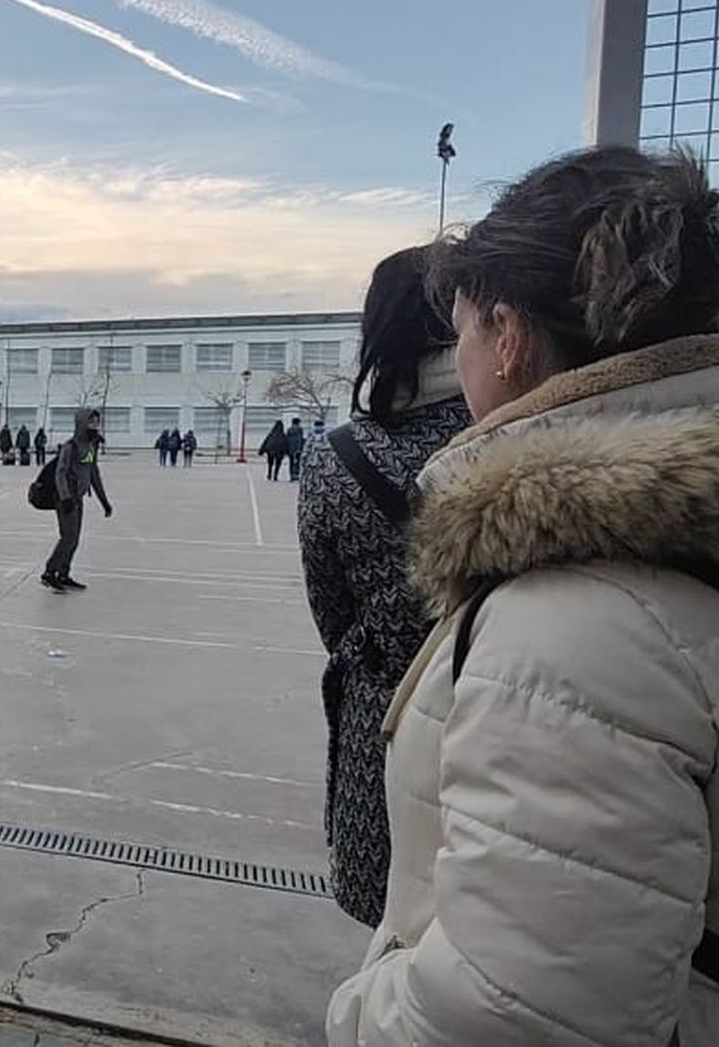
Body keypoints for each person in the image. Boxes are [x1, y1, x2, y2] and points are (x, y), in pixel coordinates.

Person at [327, 146, 719, 1045]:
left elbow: (510, 1012)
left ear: (510, 338)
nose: (462, 357)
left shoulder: (573, 631)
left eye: (467, 329)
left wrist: (364, 1011)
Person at [297, 246, 470, 929]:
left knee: (394, 924)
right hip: (508, 728)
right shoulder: (517, 437)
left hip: (387, 722)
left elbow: (333, 616)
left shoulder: (339, 457)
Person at [42, 409, 112, 592]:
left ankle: (63, 573)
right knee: (68, 537)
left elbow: (93, 473)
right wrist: (65, 497)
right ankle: (49, 572)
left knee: (75, 539)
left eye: (97, 422)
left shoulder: (91, 445)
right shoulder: (70, 446)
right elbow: (61, 472)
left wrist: (103, 500)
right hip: (66, 498)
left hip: (78, 498)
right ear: (81, 423)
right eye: (91, 422)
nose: (95, 426)